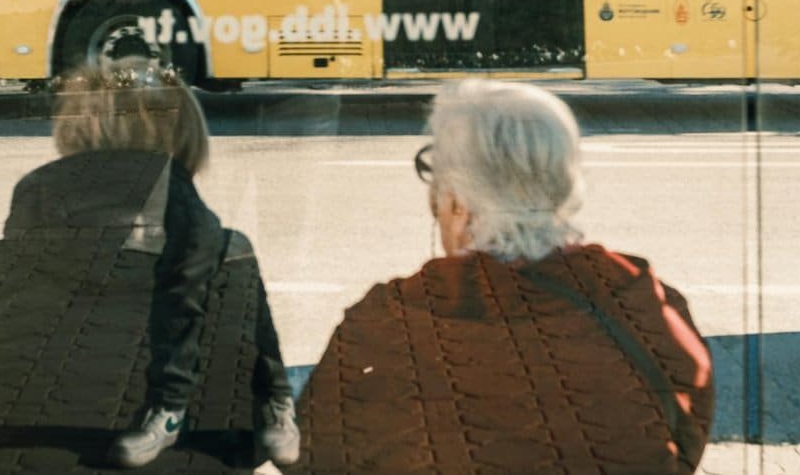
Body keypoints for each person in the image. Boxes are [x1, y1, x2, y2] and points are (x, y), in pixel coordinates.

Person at [292, 80, 715, 473]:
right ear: (564, 186)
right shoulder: (641, 299)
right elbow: (685, 433)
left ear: (457, 200)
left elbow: (312, 450)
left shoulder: (389, 321)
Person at [0, 57, 298, 474]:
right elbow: (246, 428)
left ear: (73, 137)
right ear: (185, 142)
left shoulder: (4, 263)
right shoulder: (227, 261)